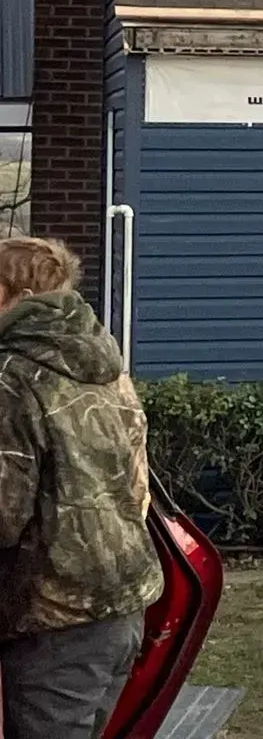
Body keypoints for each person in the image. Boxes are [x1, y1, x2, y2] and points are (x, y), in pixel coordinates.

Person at [0, 237, 162, 739]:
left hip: (53, 619)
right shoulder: (107, 368)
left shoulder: (12, 375)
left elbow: (3, 513)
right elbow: (138, 487)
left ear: (12, 293)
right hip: (123, 609)